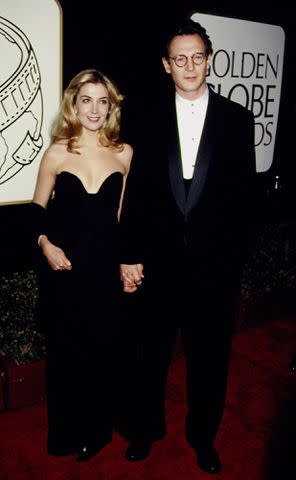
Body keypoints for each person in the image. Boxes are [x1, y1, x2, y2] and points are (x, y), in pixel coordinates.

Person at [118, 18, 256, 474]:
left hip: (213, 272)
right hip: (157, 266)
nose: (190, 65)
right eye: (180, 58)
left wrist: (232, 261)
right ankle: (144, 431)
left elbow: (242, 199)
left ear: (209, 60)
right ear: (166, 65)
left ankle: (203, 438)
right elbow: (134, 194)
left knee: (210, 361)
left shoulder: (239, 120)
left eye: (198, 56)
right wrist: (129, 254)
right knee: (148, 356)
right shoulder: (144, 115)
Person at [31, 69, 133, 461]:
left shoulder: (125, 153)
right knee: (65, 355)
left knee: (102, 353)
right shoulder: (57, 151)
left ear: (111, 107)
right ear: (74, 103)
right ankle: (66, 432)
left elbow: (125, 219)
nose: (94, 108)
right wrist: (45, 245)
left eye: (102, 101)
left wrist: (127, 265)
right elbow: (36, 211)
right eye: (86, 100)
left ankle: (97, 431)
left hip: (105, 272)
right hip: (65, 272)